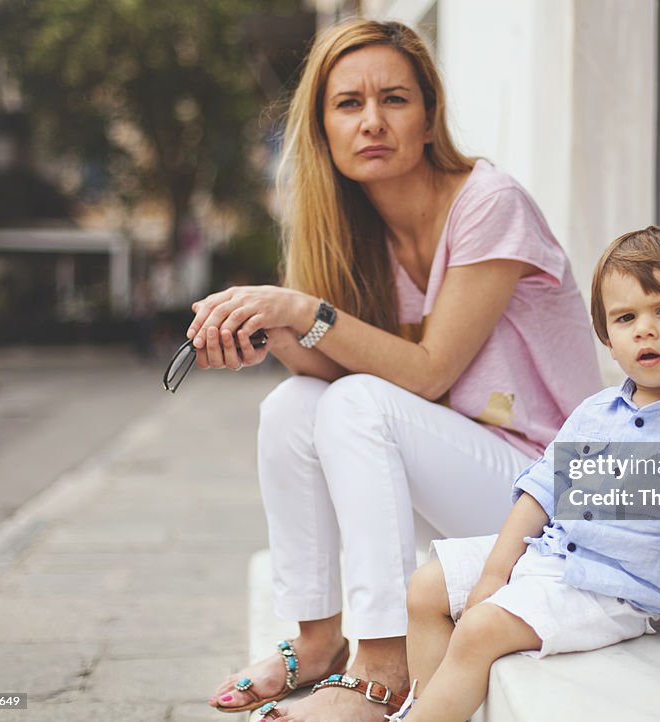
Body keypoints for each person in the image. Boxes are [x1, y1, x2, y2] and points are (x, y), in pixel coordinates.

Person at [188, 19, 601, 721]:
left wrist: (301, 307)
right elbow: (338, 364)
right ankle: (319, 642)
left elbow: (430, 372)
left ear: (430, 115)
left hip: (555, 488)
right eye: (348, 104)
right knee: (290, 405)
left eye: (395, 100)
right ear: (322, 128)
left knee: (356, 403)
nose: (372, 121)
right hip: (468, 473)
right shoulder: (351, 231)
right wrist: (277, 334)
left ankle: (384, 665)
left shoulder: (488, 203)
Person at [383, 226, 660, 722]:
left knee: (479, 629)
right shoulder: (595, 411)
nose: (644, 330)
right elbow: (543, 491)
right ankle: (428, 709)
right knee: (425, 588)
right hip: (550, 552)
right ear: (608, 339)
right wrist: (497, 569)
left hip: (611, 588)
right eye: (626, 318)